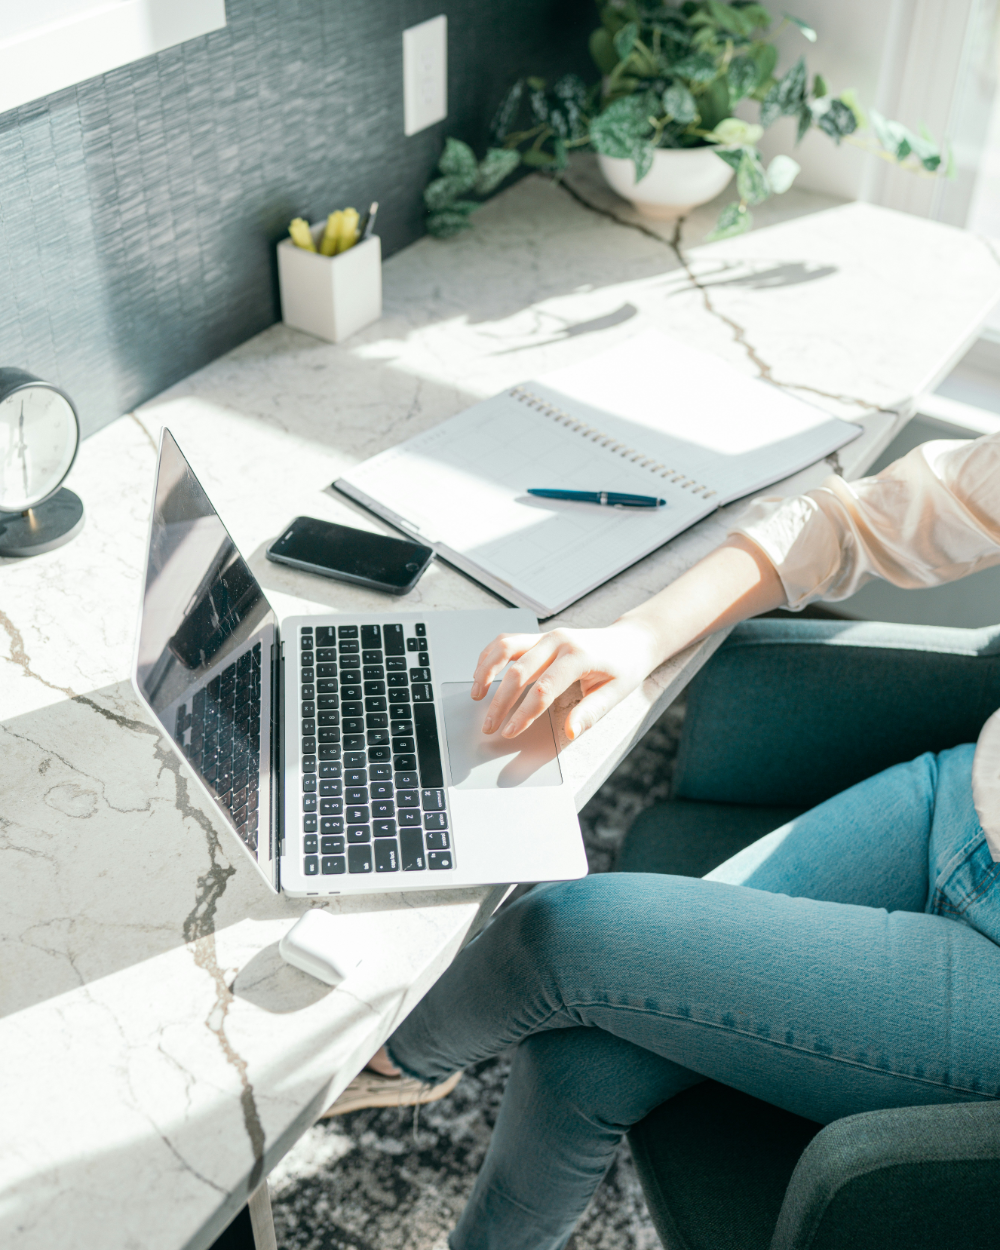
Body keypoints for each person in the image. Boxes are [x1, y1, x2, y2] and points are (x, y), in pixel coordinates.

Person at [343, 431, 1000, 1250]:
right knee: (571, 1063)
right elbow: (856, 520)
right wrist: (636, 638)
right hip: (961, 803)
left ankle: (379, 1064)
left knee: (561, 933)